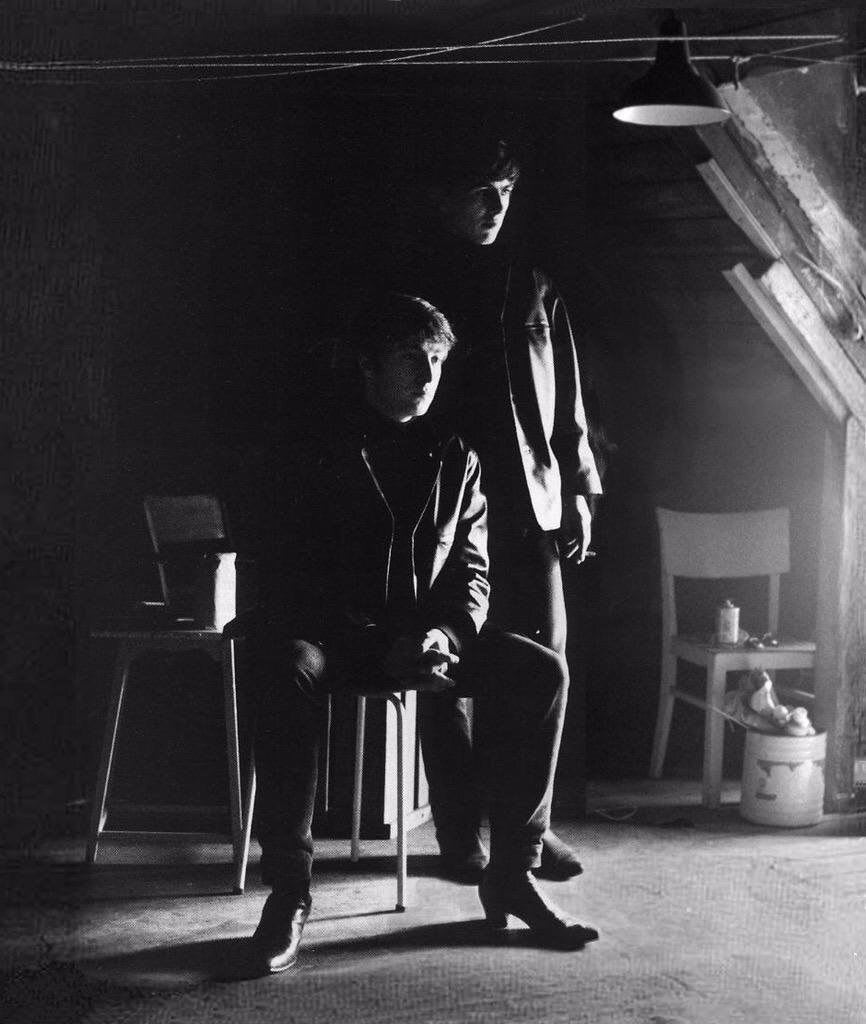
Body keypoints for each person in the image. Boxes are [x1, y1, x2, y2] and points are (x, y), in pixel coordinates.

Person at [248, 293, 598, 974]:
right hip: (336, 642)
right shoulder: (313, 450)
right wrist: (380, 641)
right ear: (367, 365)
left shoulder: (455, 456)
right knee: (287, 665)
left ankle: (512, 873)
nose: (428, 374)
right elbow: (293, 577)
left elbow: (472, 572)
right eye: (411, 358)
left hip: (424, 644)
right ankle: (288, 894)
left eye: (437, 360)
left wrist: (446, 635)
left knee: (539, 670)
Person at [383, 136, 605, 882]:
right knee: (445, 668)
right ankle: (460, 836)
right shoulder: (410, 285)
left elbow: (568, 396)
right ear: (443, 197)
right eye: (481, 190)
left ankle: (529, 833)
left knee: (543, 664)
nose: (496, 207)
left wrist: (579, 488)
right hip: (439, 507)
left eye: (506, 192)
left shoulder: (532, 284)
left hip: (530, 503)